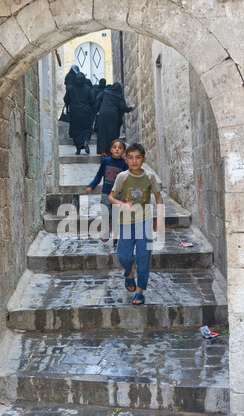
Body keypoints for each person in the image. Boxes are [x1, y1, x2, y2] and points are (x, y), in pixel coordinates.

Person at [108, 143, 164, 305]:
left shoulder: (149, 177)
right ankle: (129, 272)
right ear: (126, 160)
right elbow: (111, 197)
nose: (134, 161)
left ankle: (140, 290)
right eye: (131, 158)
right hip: (126, 221)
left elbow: (158, 196)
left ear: (144, 159)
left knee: (143, 256)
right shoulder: (122, 177)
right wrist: (122, 204)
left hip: (145, 220)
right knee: (124, 256)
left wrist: (159, 216)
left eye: (138, 157)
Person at [86, 139, 128, 247]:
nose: (117, 149)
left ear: (124, 151)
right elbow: (99, 175)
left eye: (120, 148)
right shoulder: (105, 161)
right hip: (106, 193)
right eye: (115, 147)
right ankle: (105, 234)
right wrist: (92, 185)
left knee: (116, 217)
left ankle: (116, 239)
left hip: (118, 195)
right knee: (105, 214)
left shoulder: (124, 163)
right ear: (111, 149)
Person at [96, 82, 134, 156]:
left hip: (103, 114)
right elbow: (123, 107)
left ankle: (103, 152)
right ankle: (109, 151)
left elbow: (97, 98)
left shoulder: (105, 92)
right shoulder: (119, 96)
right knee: (111, 133)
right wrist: (130, 108)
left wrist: (98, 110)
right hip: (113, 116)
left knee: (102, 132)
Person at [63, 72, 94, 155]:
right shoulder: (87, 89)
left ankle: (78, 148)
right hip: (85, 112)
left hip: (74, 113)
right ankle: (85, 141)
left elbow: (66, 99)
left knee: (76, 130)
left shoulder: (70, 88)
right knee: (86, 129)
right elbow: (92, 101)